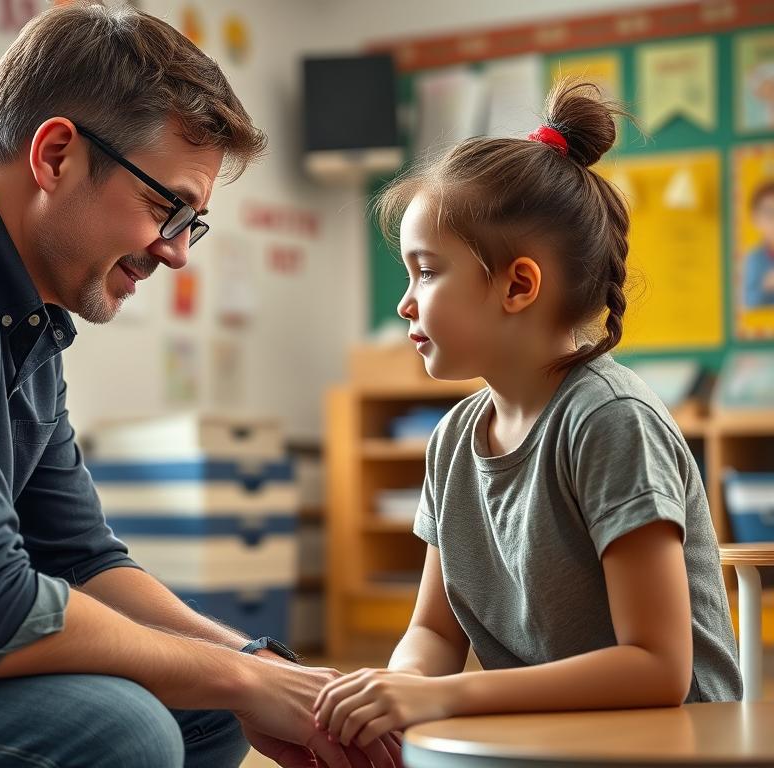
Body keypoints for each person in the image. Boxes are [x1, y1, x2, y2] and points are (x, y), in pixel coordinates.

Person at [0, 4, 402, 767]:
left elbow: (82, 557)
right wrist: (242, 675)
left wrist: (259, 667)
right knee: (122, 728)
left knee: (205, 708)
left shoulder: (19, 314)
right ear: (56, 154)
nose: (177, 251)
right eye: (168, 207)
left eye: (191, 222)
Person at [313, 80, 742, 749]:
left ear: (518, 285)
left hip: (670, 744)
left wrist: (445, 696)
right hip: (555, 741)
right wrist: (398, 697)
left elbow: (657, 669)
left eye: (425, 272)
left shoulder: (610, 421)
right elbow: (432, 631)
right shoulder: (452, 440)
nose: (405, 304)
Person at [741, 179, 774, 309]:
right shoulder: (754, 259)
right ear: (756, 218)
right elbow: (748, 302)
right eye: (770, 213)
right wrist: (767, 286)